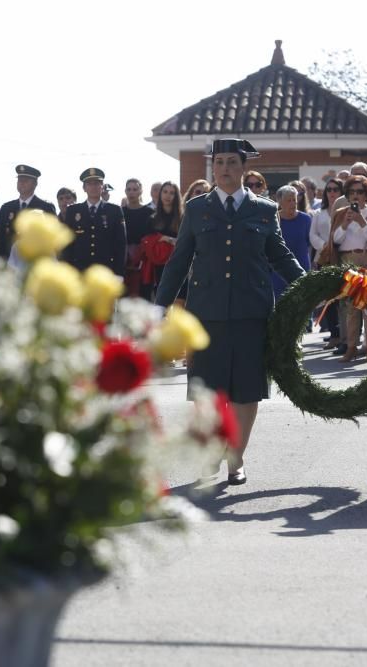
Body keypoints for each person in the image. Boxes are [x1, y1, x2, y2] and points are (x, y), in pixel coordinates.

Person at [155, 138, 305, 486]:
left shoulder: (264, 210)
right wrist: (161, 304)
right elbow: (179, 262)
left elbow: (280, 256)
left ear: (243, 168)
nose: (224, 168)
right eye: (219, 162)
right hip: (205, 315)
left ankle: (235, 457)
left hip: (251, 313)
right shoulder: (195, 209)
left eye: (231, 163)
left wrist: (312, 284)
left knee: (246, 390)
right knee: (208, 392)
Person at [323, 175, 367, 363]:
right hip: (348, 261)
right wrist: (345, 223)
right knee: (350, 308)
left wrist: (361, 221)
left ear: (366, 195)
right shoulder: (340, 213)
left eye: (360, 192)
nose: (355, 195)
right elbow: (334, 241)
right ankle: (351, 347)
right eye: (352, 192)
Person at [60, 168, 127, 276]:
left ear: (102, 186)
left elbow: (120, 245)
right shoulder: (73, 211)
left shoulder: (114, 210)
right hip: (79, 270)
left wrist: (119, 274)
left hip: (105, 270)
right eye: (89, 184)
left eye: (97, 183)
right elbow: (68, 244)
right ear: (84, 188)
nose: (93, 187)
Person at [309, 177, 345, 351]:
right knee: (329, 299)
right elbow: (312, 235)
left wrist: (336, 246)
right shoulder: (318, 213)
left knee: (344, 299)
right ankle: (334, 335)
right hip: (324, 258)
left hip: (343, 258)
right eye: (329, 189)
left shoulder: (346, 211)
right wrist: (325, 246)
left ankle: (347, 335)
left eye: (335, 189)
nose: (332, 193)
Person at [0, 164, 57, 258]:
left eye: (26, 180)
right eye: (20, 180)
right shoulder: (6, 208)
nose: (22, 183)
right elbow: (0, 239)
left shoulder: (46, 207)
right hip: (10, 263)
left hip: (34, 261)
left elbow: (52, 238)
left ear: (35, 183)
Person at [139, 181, 183, 301]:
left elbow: (187, 241)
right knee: (160, 304)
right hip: (157, 266)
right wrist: (159, 238)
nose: (167, 196)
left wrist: (169, 239)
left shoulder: (183, 218)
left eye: (172, 193)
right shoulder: (152, 218)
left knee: (178, 302)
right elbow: (145, 242)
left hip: (178, 265)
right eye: (165, 192)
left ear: (176, 196)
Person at [272, 185, 311, 298]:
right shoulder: (274, 219)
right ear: (280, 202)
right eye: (289, 200)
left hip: (301, 268)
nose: (293, 203)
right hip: (278, 272)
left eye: (294, 199)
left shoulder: (305, 219)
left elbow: (309, 243)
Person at [122, 178, 153, 296]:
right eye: (129, 189)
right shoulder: (120, 212)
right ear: (125, 191)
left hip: (144, 263)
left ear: (140, 191)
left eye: (135, 189)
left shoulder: (149, 213)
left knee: (143, 296)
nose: (131, 192)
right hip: (125, 262)